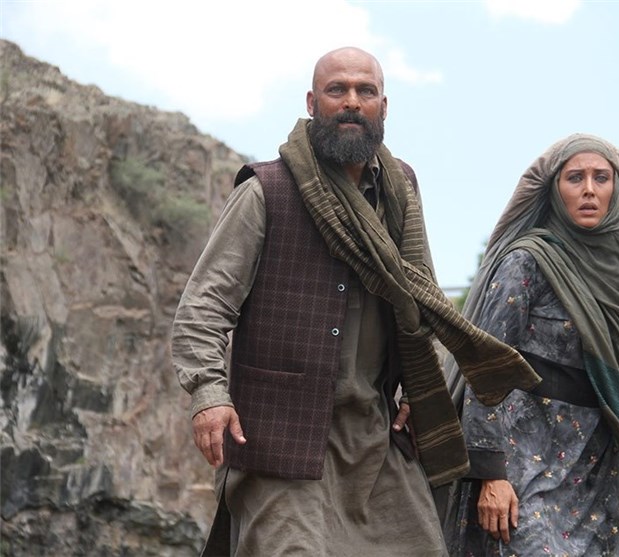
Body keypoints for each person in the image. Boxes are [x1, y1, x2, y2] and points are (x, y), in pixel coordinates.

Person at [171, 46, 539, 556]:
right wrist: (209, 395)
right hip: (278, 437)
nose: (351, 101)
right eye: (336, 90)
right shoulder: (266, 190)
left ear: (383, 107)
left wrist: (418, 390)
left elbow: (422, 297)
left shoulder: (400, 189)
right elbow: (203, 308)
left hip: (374, 435)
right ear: (311, 102)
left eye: (365, 91)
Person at [439, 134, 619, 556]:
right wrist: (490, 473)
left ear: (617, 190)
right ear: (554, 189)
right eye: (575, 178)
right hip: (521, 467)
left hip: (594, 472)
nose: (589, 189)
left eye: (601, 178)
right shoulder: (528, 261)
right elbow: (484, 366)